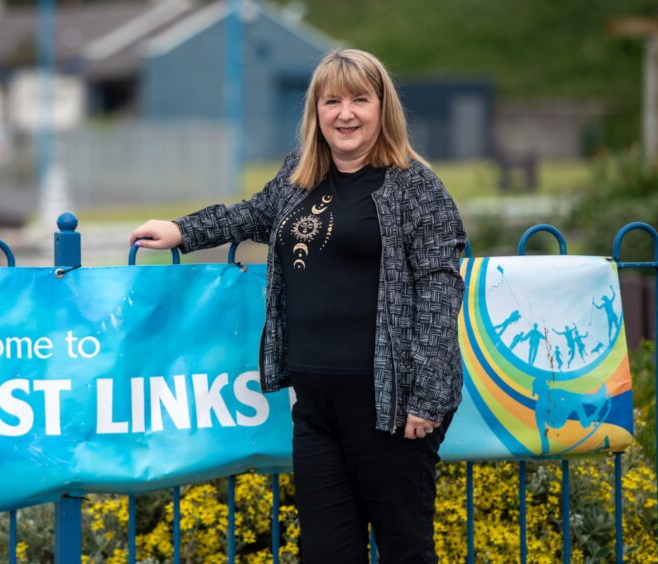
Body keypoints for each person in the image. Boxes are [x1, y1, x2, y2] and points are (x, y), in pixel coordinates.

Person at [129, 49, 466, 563]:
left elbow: (439, 296)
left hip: (391, 407)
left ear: (383, 108)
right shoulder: (298, 178)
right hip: (316, 408)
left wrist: (426, 396)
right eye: (332, 101)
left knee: (405, 550)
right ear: (316, 111)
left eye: (359, 99)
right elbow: (249, 215)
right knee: (326, 553)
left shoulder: (417, 189)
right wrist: (181, 230)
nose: (345, 113)